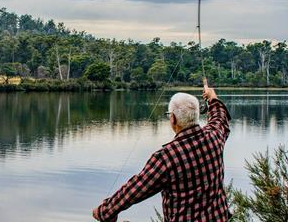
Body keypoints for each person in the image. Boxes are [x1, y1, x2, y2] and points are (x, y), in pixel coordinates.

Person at [93, 79, 231, 221]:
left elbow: (136, 189)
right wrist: (212, 97)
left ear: (173, 119)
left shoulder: (167, 157)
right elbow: (220, 118)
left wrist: (105, 211)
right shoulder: (214, 137)